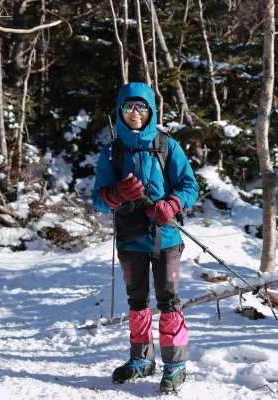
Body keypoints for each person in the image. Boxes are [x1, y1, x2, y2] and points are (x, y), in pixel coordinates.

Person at [91, 82, 199, 393]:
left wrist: (172, 204)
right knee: (137, 302)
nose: (135, 112)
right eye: (128, 106)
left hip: (166, 237)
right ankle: (140, 360)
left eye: (141, 106)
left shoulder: (168, 146)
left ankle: (175, 365)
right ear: (120, 110)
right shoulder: (112, 152)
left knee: (169, 301)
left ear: (150, 110)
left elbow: (189, 186)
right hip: (130, 238)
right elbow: (98, 199)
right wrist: (116, 194)